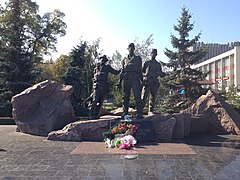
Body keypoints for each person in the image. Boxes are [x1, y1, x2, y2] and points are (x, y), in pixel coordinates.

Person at [86, 55, 120, 119]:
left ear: (105, 61)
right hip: (97, 86)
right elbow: (93, 79)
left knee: (100, 101)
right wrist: (92, 89)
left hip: (103, 86)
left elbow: (116, 72)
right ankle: (91, 114)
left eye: (104, 59)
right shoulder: (96, 68)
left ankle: (96, 114)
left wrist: (122, 68)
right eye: (101, 59)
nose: (102, 60)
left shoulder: (107, 67)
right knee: (94, 100)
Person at [118, 43, 143, 119]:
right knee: (126, 97)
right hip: (127, 79)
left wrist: (142, 81)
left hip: (135, 79)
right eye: (130, 47)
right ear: (127, 48)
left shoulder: (138, 58)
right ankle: (125, 112)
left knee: (137, 96)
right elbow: (122, 71)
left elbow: (140, 70)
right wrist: (119, 81)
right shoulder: (124, 59)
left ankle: (139, 113)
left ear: (134, 48)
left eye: (132, 47)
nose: (131, 48)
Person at [142, 48, 165, 115]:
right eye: (152, 53)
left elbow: (160, 73)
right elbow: (141, 72)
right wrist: (146, 75)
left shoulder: (158, 64)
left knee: (153, 97)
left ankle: (150, 111)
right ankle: (140, 111)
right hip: (147, 82)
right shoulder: (147, 63)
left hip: (154, 82)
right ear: (150, 53)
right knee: (143, 97)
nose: (153, 54)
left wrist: (162, 74)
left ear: (156, 54)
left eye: (155, 53)